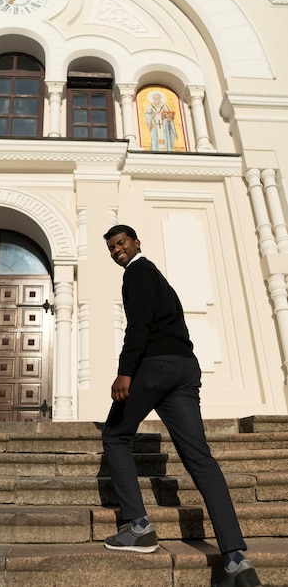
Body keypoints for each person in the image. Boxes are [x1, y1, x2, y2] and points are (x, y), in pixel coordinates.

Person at [102, 224, 262, 587]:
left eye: (121, 243)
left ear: (136, 243)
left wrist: (125, 373)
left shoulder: (137, 273)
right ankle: (236, 559)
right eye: (112, 248)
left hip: (156, 366)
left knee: (115, 435)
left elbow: (139, 326)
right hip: (185, 369)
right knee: (200, 458)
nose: (117, 251)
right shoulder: (160, 279)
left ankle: (138, 527)